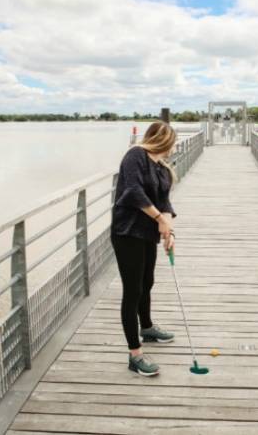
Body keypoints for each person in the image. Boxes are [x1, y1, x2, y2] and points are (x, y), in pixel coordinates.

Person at [110, 121, 178, 376]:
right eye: (171, 142)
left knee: (147, 282)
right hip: (127, 232)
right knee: (133, 290)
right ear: (164, 140)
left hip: (147, 234)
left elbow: (164, 201)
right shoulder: (135, 155)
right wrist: (160, 219)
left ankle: (146, 328)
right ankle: (134, 354)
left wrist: (167, 228)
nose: (172, 147)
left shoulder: (161, 168)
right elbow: (133, 192)